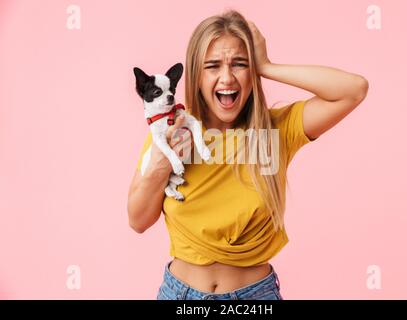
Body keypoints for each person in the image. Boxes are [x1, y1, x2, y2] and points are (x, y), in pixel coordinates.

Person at [127, 10, 369, 300]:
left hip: (254, 298)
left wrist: (267, 66)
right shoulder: (172, 130)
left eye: (240, 64)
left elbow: (354, 89)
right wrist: (159, 165)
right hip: (179, 297)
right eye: (213, 66)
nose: (227, 77)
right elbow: (138, 220)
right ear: (196, 74)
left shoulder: (276, 129)